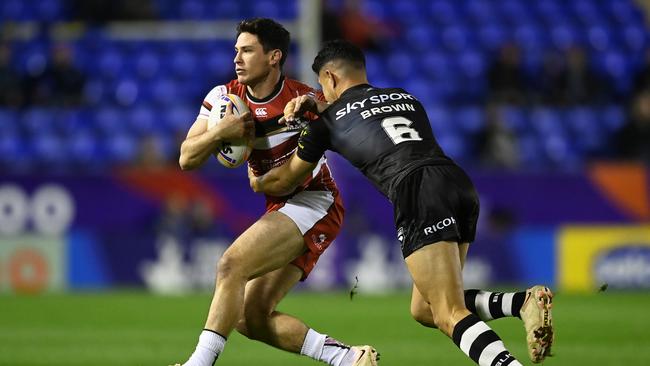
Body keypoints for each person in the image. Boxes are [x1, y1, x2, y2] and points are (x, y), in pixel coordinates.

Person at [250, 40, 555, 365]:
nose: (323, 92)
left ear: (331, 77)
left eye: (323, 85)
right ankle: (521, 303)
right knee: (424, 309)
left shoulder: (325, 123)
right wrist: (317, 104)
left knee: (448, 313)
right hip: (457, 183)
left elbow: (286, 180)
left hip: (417, 192)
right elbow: (364, 117)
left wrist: (257, 178)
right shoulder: (406, 98)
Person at [175, 19, 378, 366]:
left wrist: (320, 113)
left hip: (315, 200)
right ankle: (349, 359)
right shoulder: (222, 99)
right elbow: (186, 158)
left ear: (274, 57)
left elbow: (347, 126)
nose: (237, 58)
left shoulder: (303, 100)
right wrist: (219, 131)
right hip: (281, 206)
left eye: (248, 50)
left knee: (231, 265)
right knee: (248, 317)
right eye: (236, 50)